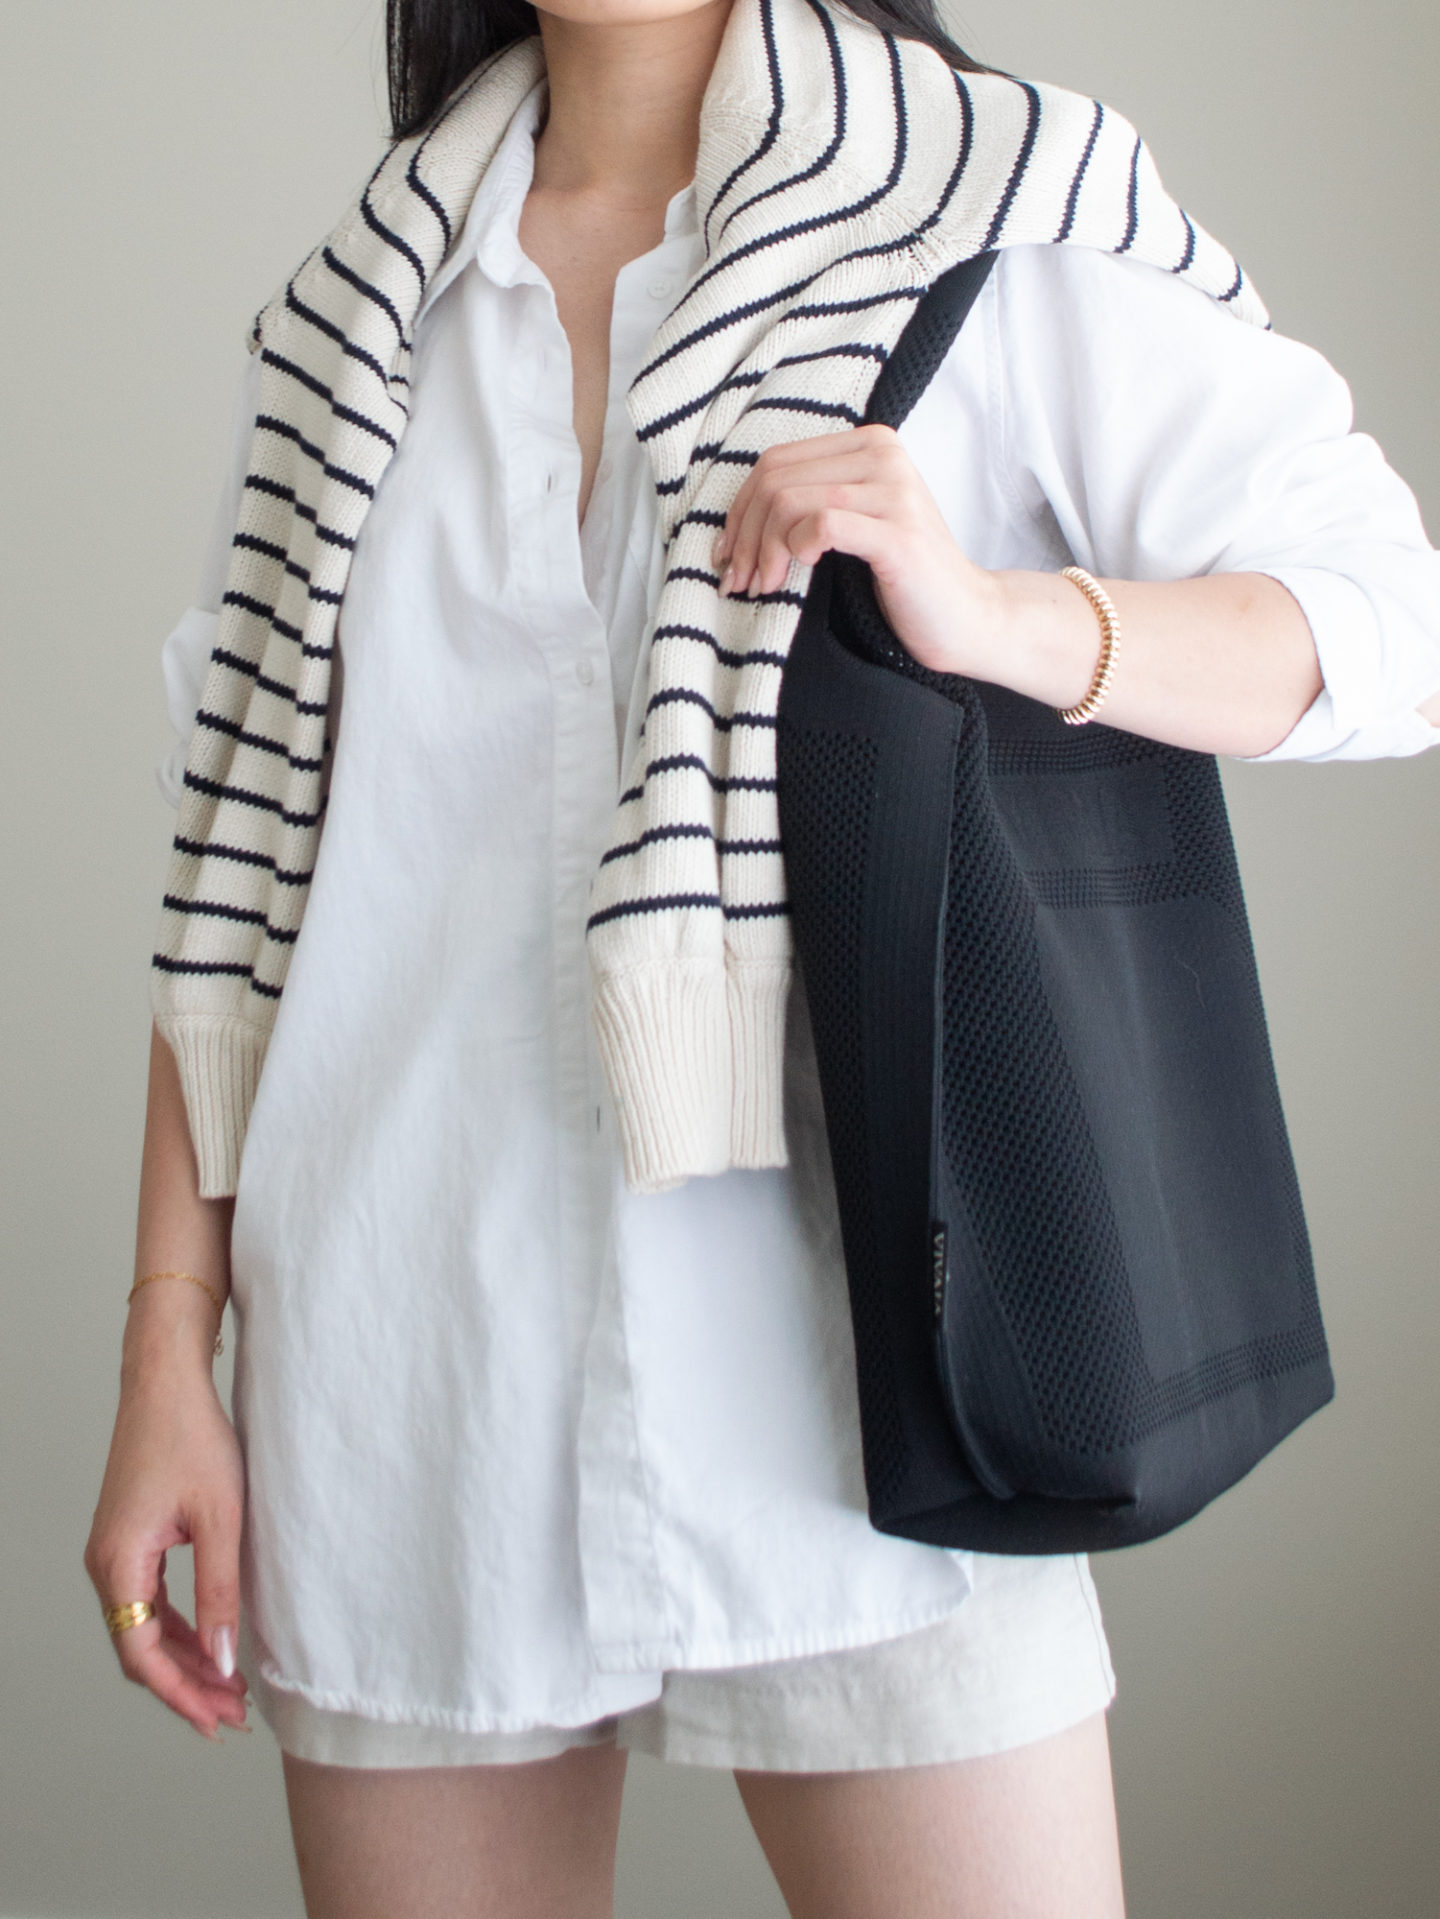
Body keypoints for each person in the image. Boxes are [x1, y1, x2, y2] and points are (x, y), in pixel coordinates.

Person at [85, 0, 1440, 1912]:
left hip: (868, 1392)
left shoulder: (985, 205)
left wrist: (1000, 620)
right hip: (405, 1386)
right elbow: (240, 854)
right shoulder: (347, 312)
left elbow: (1386, 617)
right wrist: (168, 1350)